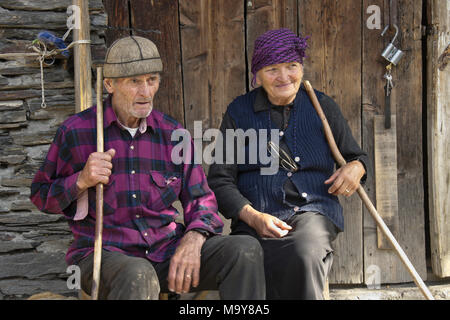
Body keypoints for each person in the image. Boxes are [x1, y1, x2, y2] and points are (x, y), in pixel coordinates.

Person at [30, 36, 265, 300]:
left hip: (165, 252)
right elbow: (41, 195)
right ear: (110, 84)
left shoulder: (173, 133)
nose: (145, 91)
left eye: (151, 80)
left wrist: (194, 237)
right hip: (103, 256)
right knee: (138, 273)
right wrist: (81, 181)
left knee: (244, 250)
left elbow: (202, 199)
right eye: (134, 81)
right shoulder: (77, 131)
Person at [207, 28, 368, 300]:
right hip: (254, 220)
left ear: (301, 67)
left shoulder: (322, 107)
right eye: (272, 69)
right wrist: (252, 216)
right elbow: (220, 180)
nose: (284, 77)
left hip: (312, 213)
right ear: (257, 75)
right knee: (244, 256)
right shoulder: (239, 112)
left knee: (304, 251)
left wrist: (357, 168)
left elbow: (356, 157)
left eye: (291, 66)